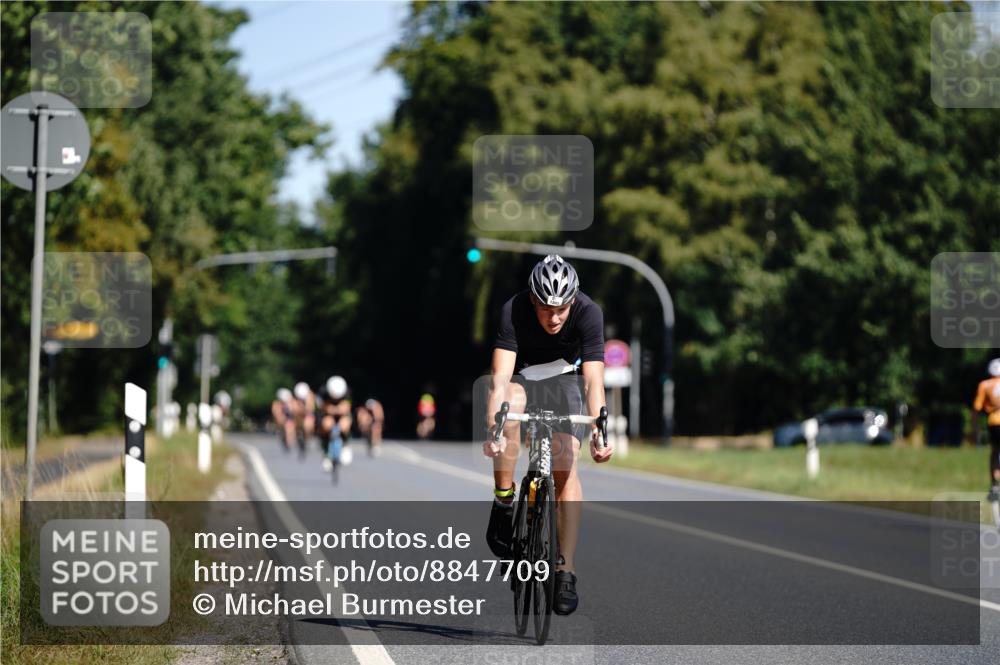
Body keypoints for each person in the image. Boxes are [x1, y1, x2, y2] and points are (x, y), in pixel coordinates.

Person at [482, 254, 613, 616]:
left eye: (561, 309)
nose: (554, 317)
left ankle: (564, 569)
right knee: (508, 406)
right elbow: (500, 379)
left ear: (573, 302)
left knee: (566, 461)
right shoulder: (513, 310)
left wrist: (601, 431)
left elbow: (593, 380)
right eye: (545, 308)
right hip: (523, 379)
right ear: (533, 300)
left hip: (565, 382)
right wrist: (494, 427)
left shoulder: (589, 313)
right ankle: (504, 499)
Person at [973, 358, 1000, 502]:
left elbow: (976, 408)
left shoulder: (984, 385)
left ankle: (994, 484)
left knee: (995, 452)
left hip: (994, 423)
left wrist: (975, 428)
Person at [318, 375, 352, 472]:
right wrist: (329, 409)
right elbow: (319, 406)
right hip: (327, 414)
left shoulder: (346, 391)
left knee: (345, 424)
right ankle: (326, 453)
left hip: (342, 415)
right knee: (326, 424)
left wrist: (340, 410)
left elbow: (347, 406)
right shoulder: (323, 391)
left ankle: (345, 445)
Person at [292, 382, 315, 458]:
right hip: (298, 417)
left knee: (308, 424)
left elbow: (310, 409)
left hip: (307, 416)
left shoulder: (310, 396)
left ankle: (305, 439)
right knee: (294, 423)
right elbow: (294, 411)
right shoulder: (294, 399)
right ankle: (298, 435)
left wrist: (303, 408)